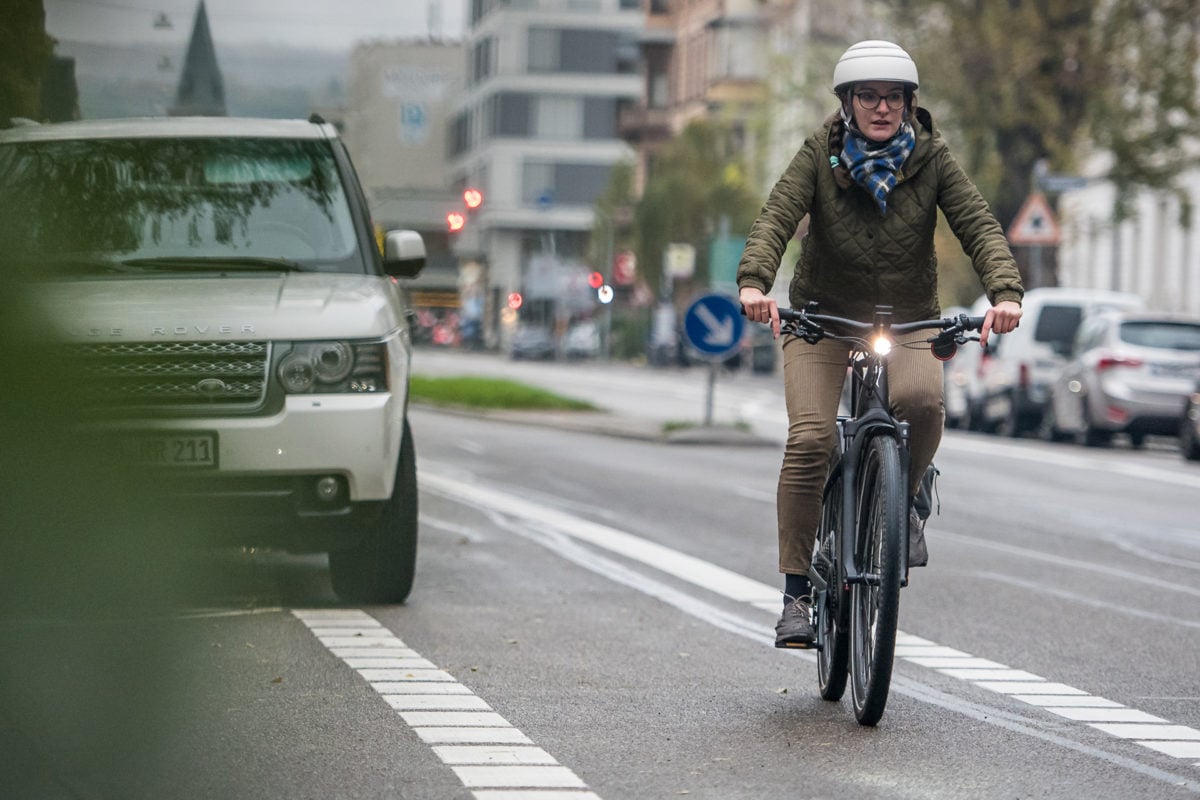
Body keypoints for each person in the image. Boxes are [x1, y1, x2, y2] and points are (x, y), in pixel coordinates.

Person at [736, 40, 1024, 647]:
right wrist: (756, 282)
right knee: (811, 436)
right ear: (847, 104)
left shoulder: (933, 158)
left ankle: (907, 495)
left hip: (909, 317)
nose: (882, 107)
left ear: (909, 103)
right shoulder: (819, 154)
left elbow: (978, 224)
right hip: (821, 316)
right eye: (868, 96)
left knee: (921, 401)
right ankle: (795, 593)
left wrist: (1005, 293)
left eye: (894, 97)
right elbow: (776, 218)